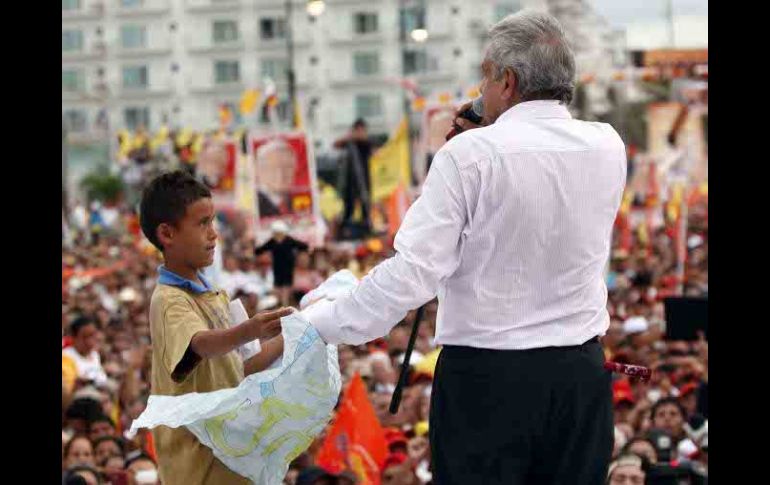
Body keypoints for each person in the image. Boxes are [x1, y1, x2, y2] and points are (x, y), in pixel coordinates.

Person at [302, 10, 626, 484]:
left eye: (485, 79)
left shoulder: (469, 155)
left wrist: (318, 324)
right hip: (579, 376)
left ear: (508, 81)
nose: (479, 94)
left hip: (488, 381)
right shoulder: (607, 145)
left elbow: (413, 275)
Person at [138, 171, 292, 485]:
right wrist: (249, 329)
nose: (214, 234)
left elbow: (242, 367)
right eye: (203, 223)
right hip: (200, 471)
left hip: (233, 465)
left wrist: (303, 330)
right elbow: (201, 344)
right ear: (167, 234)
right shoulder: (169, 299)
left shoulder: (217, 296)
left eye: (213, 222)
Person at [254, 220, 309, 306]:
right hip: (277, 267)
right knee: (278, 285)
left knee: (287, 286)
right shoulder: (272, 242)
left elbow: (301, 245)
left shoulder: (289, 240)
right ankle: (279, 303)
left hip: (288, 266)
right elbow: (261, 249)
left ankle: (285, 303)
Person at [334, 118, 373, 235]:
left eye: (362, 130)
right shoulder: (349, 143)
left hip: (363, 181)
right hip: (350, 182)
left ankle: (366, 228)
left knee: (365, 205)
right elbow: (336, 144)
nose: (361, 132)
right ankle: (345, 229)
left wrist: (354, 138)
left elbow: (368, 144)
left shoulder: (366, 144)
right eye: (358, 130)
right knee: (348, 206)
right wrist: (349, 138)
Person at [255, 139, 298, 217]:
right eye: (273, 168)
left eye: (287, 167)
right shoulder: (253, 204)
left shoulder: (300, 200)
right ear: (259, 171)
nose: (281, 174)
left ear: (295, 168)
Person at [63, 316, 108, 386]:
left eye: (93, 335)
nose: (89, 341)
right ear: (73, 337)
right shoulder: (66, 357)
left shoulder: (94, 355)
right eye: (85, 337)